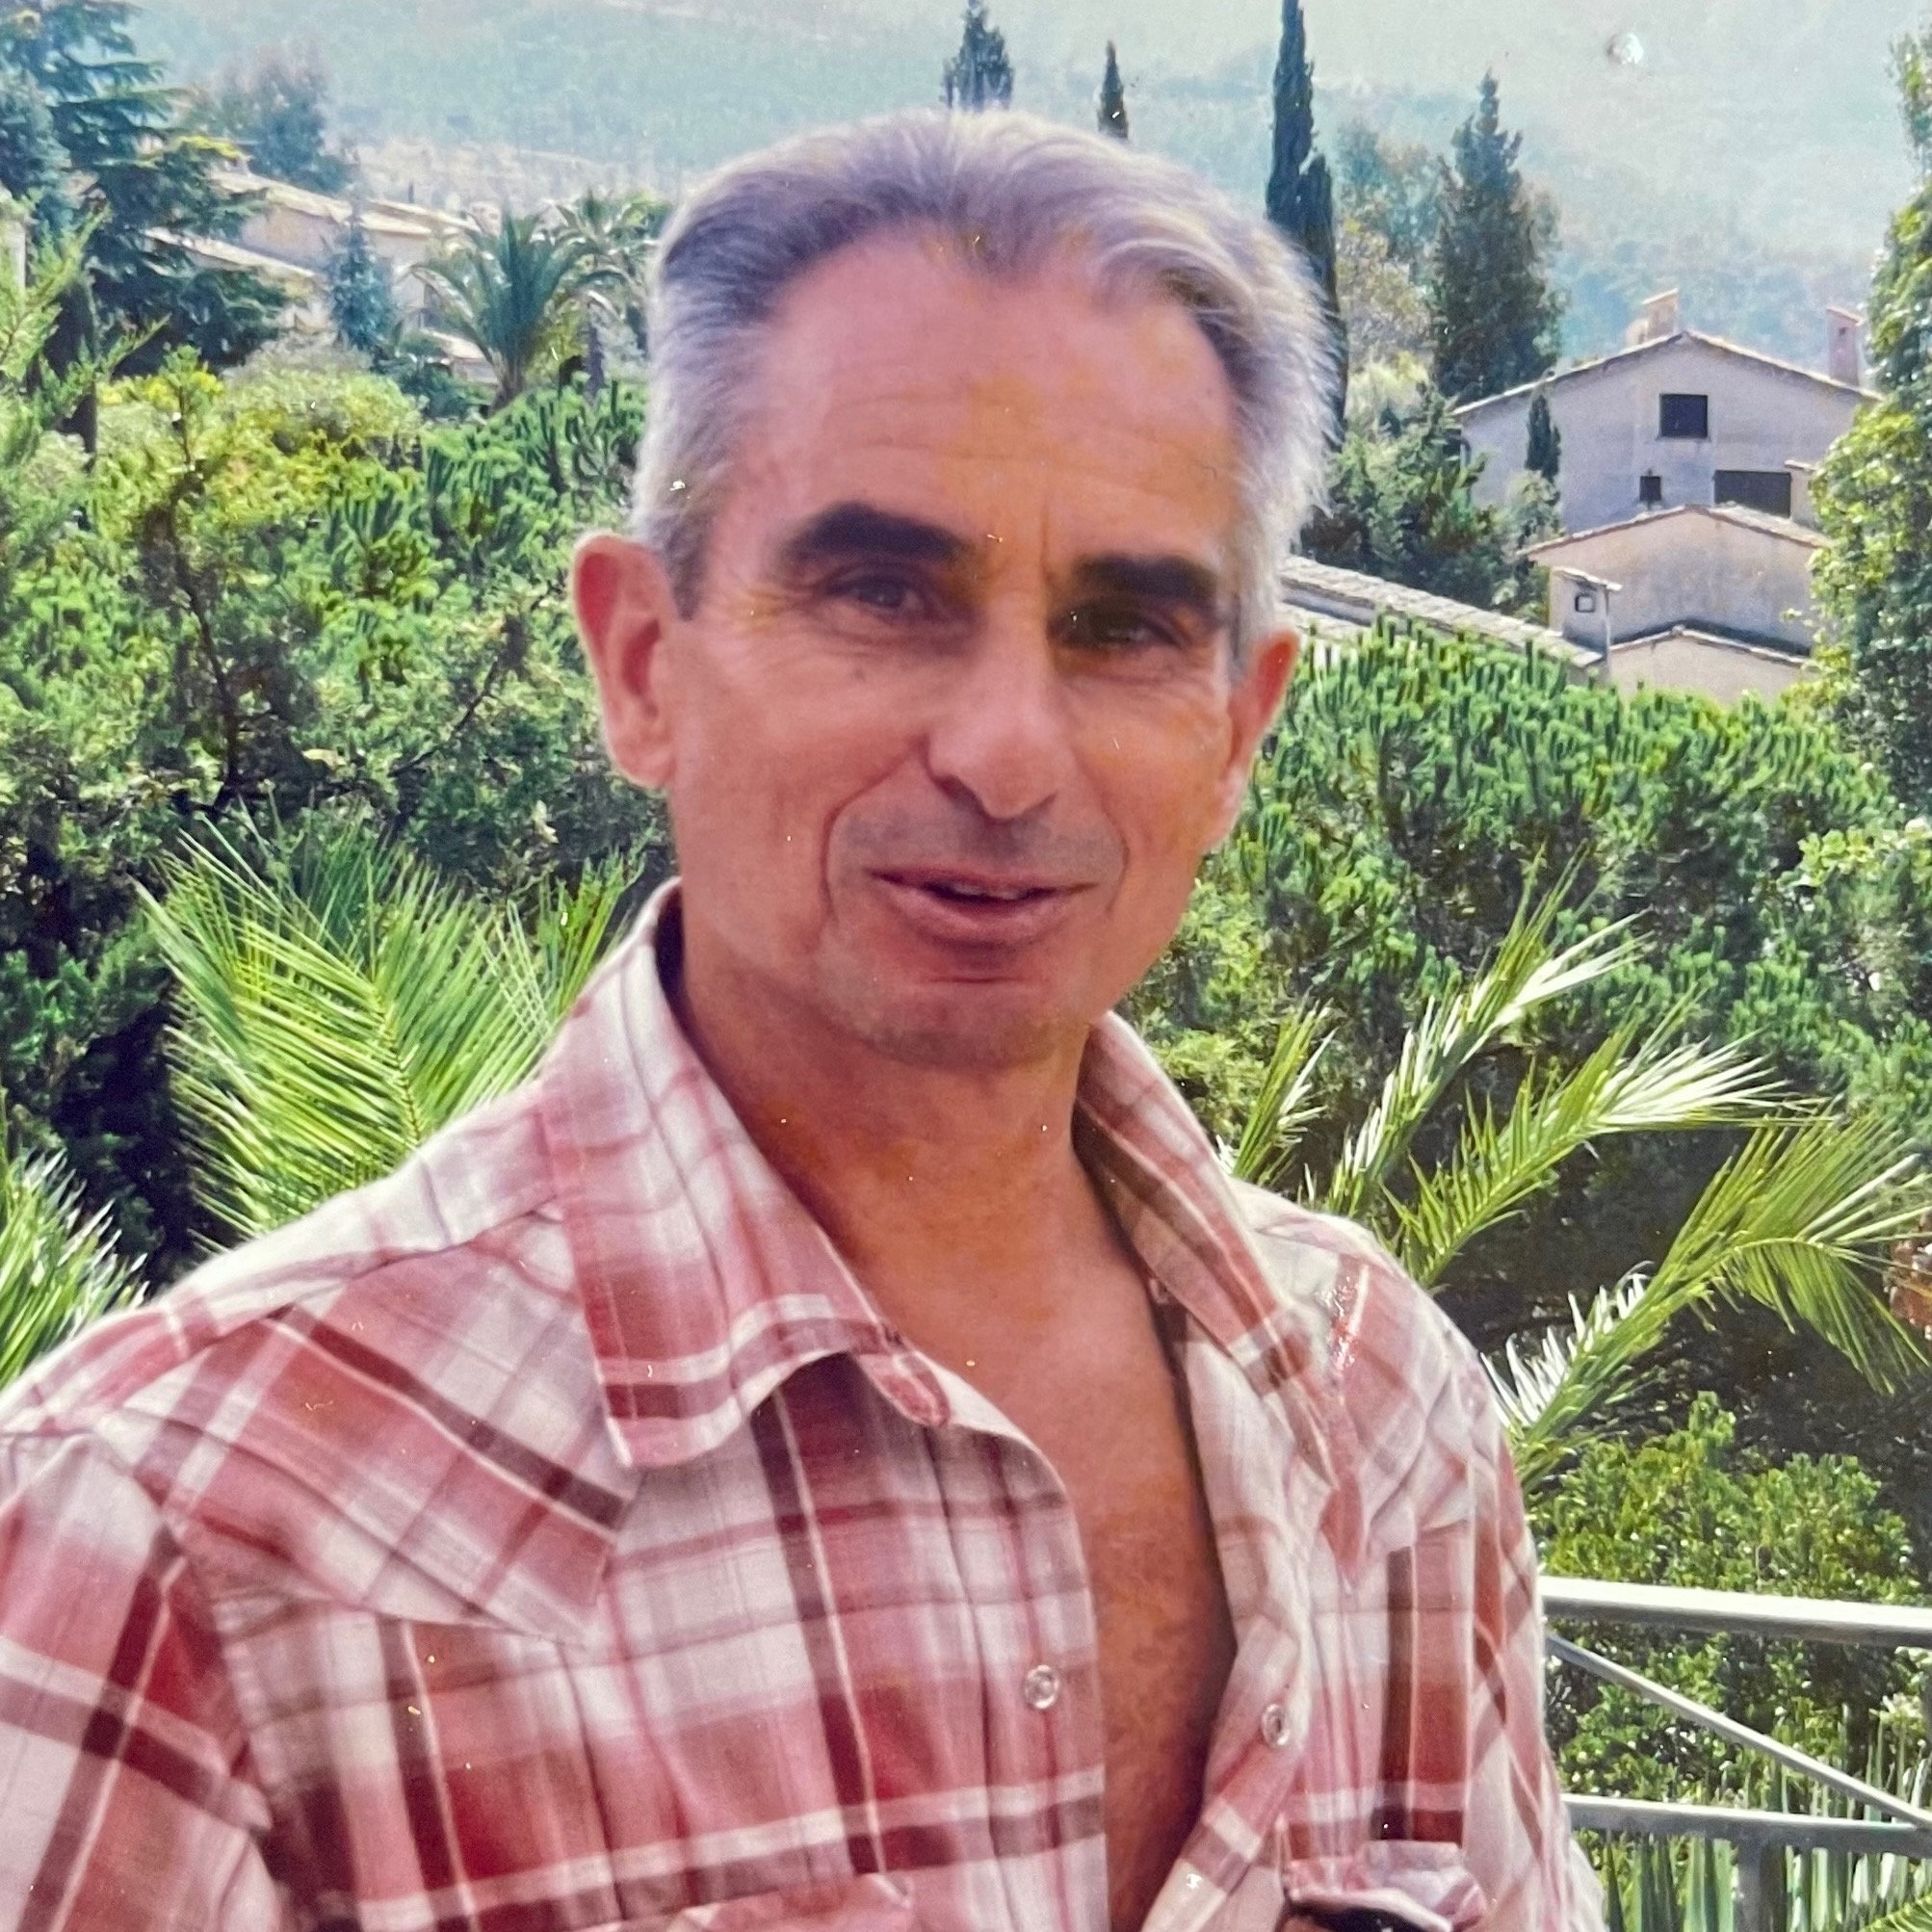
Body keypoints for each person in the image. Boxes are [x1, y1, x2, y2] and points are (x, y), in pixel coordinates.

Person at [0, 110, 1601, 1932]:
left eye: (1122, 628)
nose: (1006, 753)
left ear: (1237, 732)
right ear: (641, 664)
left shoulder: (1383, 1411)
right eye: (882, 594)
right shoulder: (181, 1542)